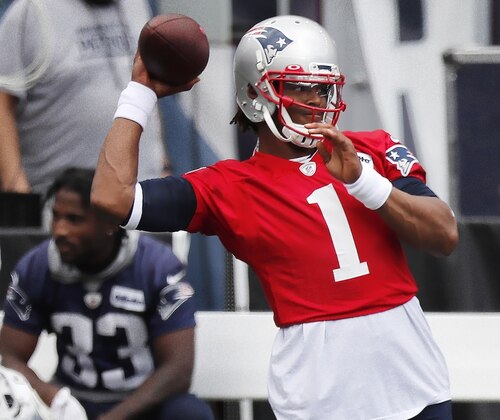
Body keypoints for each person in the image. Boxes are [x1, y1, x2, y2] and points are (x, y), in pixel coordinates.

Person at [91, 14, 459, 420]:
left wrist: (363, 182)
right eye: (300, 88)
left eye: (323, 89)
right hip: (319, 394)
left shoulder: (371, 149)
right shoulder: (227, 186)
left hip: (412, 381)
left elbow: (443, 235)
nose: (317, 102)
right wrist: (139, 94)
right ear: (255, 93)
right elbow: (111, 198)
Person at [0, 168, 214, 420]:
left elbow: (178, 370)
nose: (59, 230)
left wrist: (112, 418)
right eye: (56, 217)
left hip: (140, 404)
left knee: (188, 413)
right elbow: (10, 356)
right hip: (73, 403)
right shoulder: (37, 267)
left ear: (111, 222)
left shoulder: (156, 267)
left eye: (74, 219)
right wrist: (53, 396)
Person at [0, 0, 165, 195]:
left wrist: (163, 165)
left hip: (140, 203)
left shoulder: (137, 5)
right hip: (63, 210)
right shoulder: (31, 11)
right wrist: (17, 190)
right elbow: (3, 104)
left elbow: (148, 89)